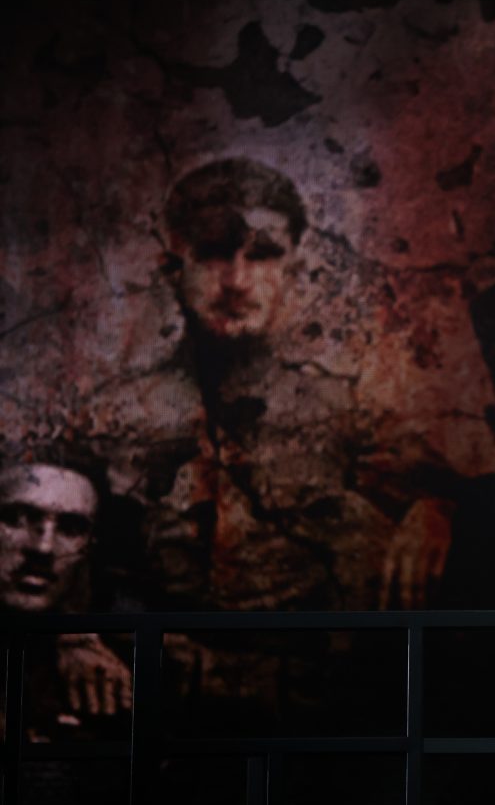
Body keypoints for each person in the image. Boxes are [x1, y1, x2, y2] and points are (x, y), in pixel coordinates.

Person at [150, 156, 460, 613]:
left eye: (262, 255)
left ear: (292, 271)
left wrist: (434, 511)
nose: (236, 281)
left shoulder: (341, 413)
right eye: (213, 252)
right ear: (173, 269)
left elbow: (452, 492)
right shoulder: (110, 420)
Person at [0, 448, 134, 740]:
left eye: (71, 528)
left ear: (90, 547)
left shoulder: (121, 646)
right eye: (17, 518)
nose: (44, 548)